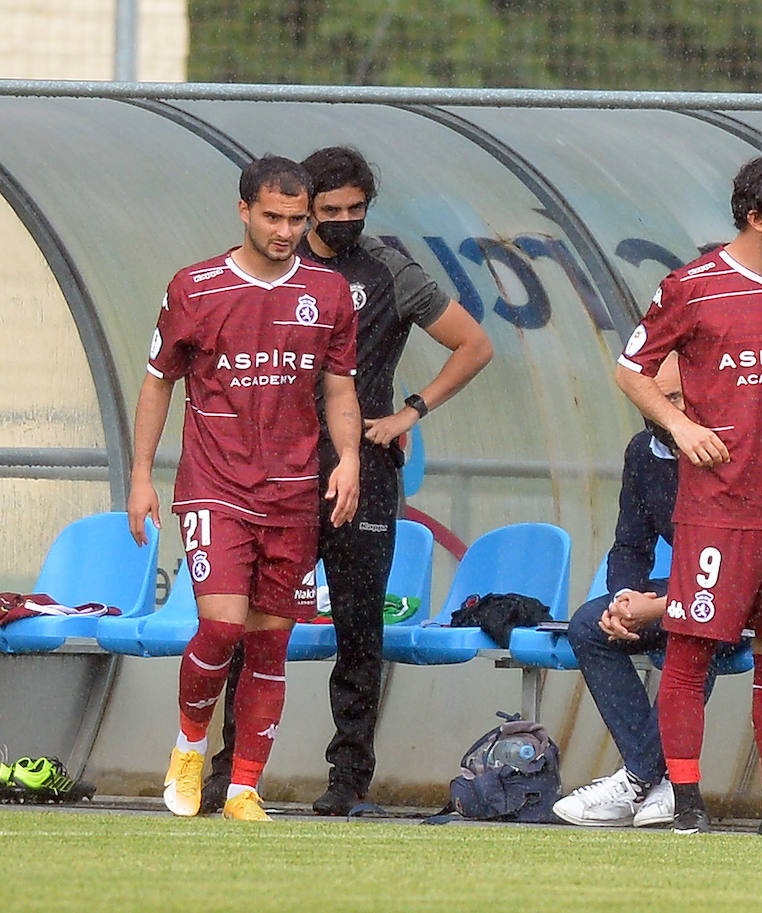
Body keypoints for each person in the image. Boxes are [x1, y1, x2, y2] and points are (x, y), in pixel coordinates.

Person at [202, 146, 494, 816]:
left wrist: (406, 414)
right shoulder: (273, 266)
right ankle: (231, 772)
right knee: (254, 624)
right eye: (327, 211)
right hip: (275, 472)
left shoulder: (390, 269)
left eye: (354, 210)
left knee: (360, 627)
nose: (341, 222)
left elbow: (473, 343)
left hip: (361, 471)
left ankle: (348, 778)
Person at [614, 155, 762, 837]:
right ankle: (687, 803)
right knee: (689, 649)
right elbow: (631, 370)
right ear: (756, 217)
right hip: (717, 509)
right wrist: (681, 425)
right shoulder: (691, 287)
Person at [128, 155, 362, 821]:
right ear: (244, 212)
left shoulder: (329, 294)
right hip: (216, 484)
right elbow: (157, 380)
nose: (286, 230)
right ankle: (189, 745)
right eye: (273, 216)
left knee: (269, 641)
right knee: (221, 625)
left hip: (293, 492)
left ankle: (242, 790)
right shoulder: (196, 287)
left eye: (296, 218)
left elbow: (340, 385)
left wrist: (348, 457)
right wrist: (142, 476)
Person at [553, 353, 744, 828]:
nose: (666, 408)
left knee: (695, 627)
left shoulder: (728, 446)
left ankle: (638, 775)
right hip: (685, 589)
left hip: (737, 592)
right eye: (656, 397)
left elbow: (734, 556)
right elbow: (630, 543)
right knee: (588, 625)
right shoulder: (643, 452)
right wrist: (623, 600)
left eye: (677, 396)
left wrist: (658, 606)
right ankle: (659, 784)